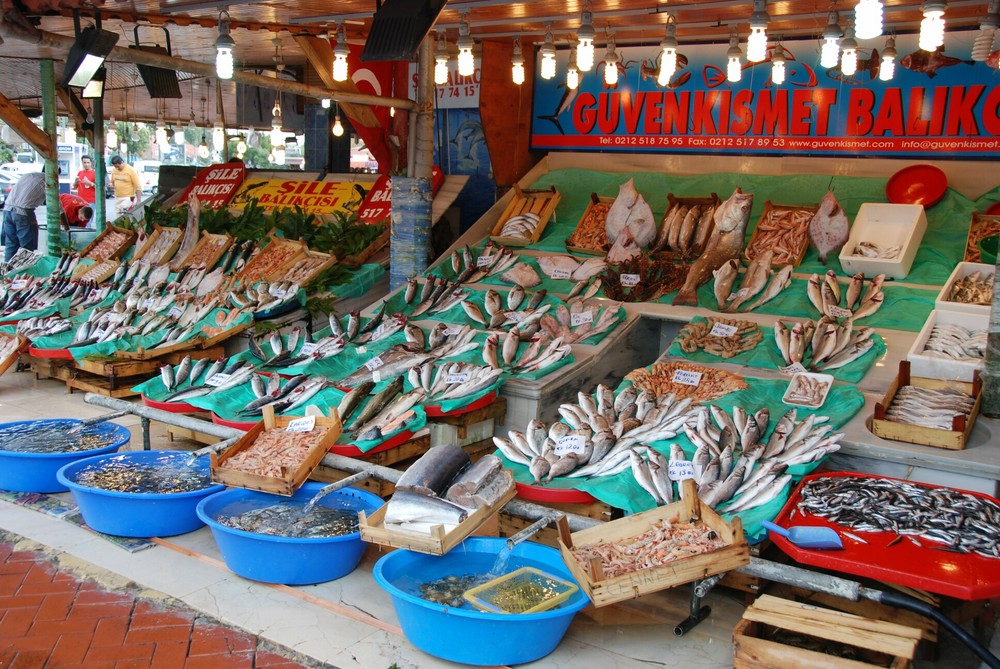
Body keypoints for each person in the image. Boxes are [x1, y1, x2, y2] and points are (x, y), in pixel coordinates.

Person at [1, 170, 46, 262]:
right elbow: (57, 207)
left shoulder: (28, 175)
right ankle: (22, 271)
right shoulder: (49, 181)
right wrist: (66, 226)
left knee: (11, 245)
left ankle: (6, 273)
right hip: (23, 213)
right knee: (27, 248)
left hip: (7, 210)